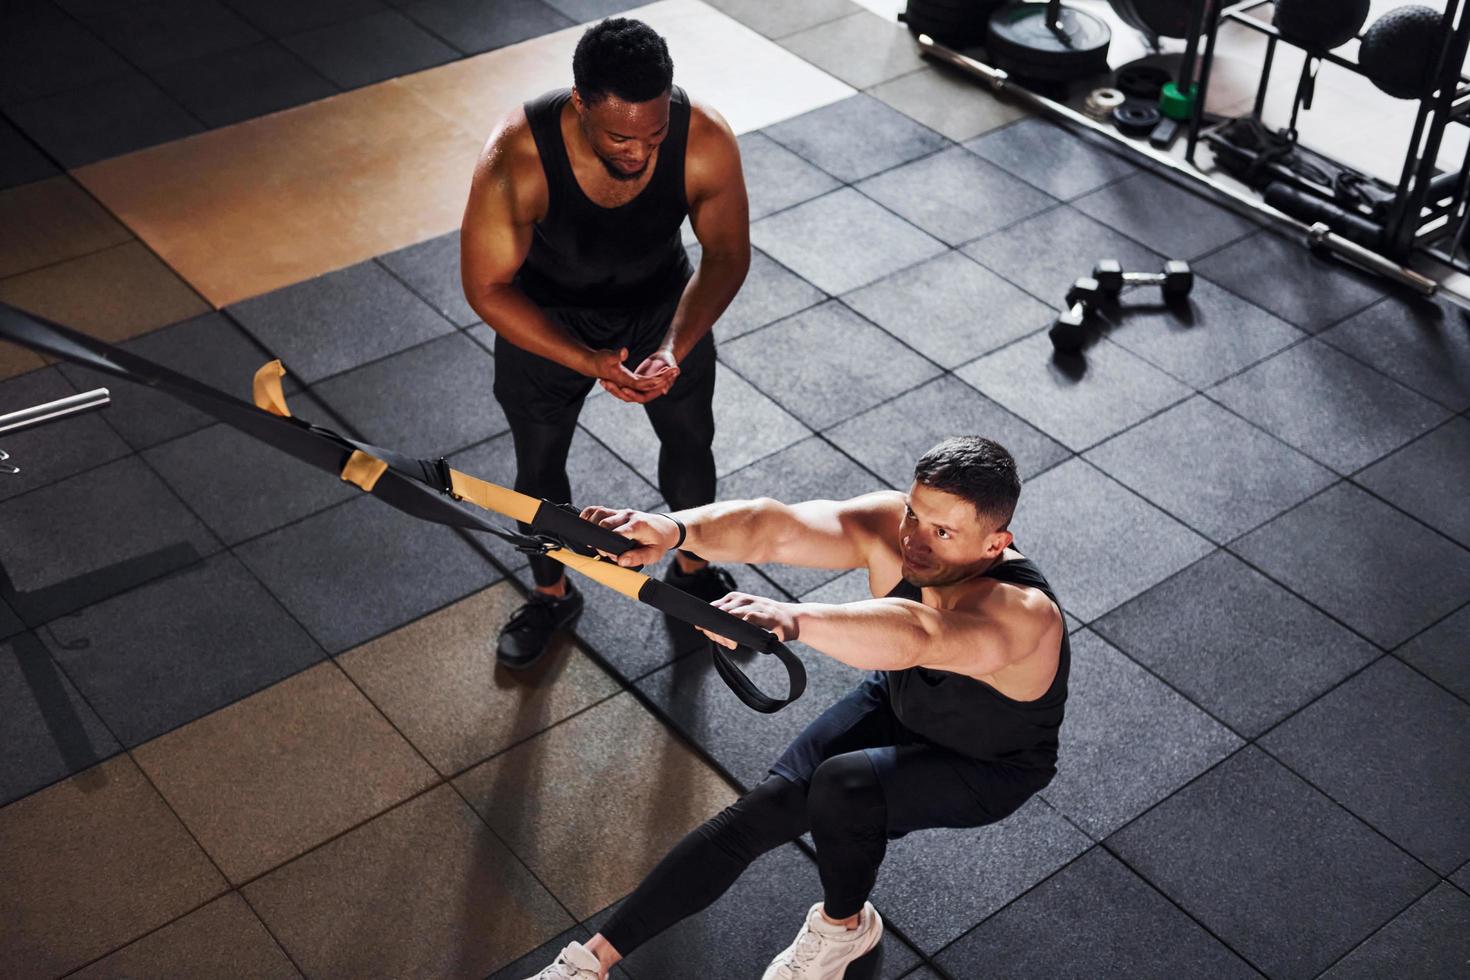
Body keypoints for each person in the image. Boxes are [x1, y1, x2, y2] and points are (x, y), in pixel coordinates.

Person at [524, 437, 1070, 980]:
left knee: (844, 787)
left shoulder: (1021, 616)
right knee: (763, 809)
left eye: (943, 532)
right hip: (901, 704)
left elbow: (920, 634)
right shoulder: (896, 530)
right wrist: (674, 530)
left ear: (997, 544)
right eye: (913, 513)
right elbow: (775, 526)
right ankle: (589, 962)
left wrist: (795, 619)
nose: (914, 540)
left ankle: (844, 928)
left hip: (988, 765)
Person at [461, 17, 750, 669]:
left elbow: (728, 253)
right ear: (580, 101)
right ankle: (551, 593)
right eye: (620, 135)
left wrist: (676, 344)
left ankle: (694, 569)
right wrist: (586, 360)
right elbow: (487, 288)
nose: (640, 153)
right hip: (546, 314)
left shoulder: (702, 138)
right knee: (537, 467)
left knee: (689, 439)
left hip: (661, 305)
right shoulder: (518, 154)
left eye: (653, 134)